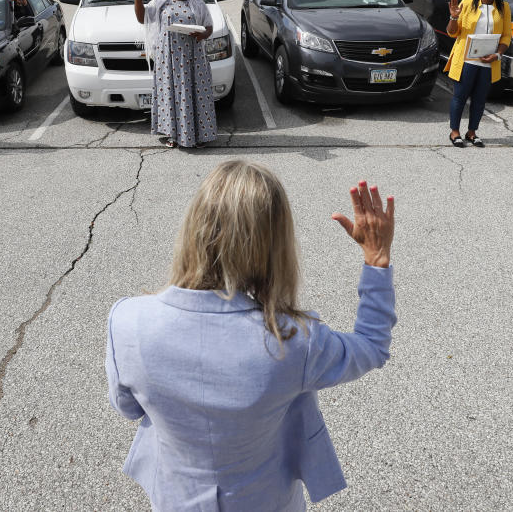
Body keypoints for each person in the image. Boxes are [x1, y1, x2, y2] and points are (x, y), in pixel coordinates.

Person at [105, 161, 396, 510]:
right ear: (274, 245)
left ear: (194, 227)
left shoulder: (127, 321)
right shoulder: (294, 339)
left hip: (174, 498)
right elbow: (372, 346)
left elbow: (129, 408)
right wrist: (376, 260)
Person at [133, 0, 218, 148]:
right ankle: (172, 135)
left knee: (195, 95)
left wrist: (203, 33)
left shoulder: (196, 1)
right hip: (169, 60)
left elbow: (209, 26)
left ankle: (198, 136)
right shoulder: (160, 2)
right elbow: (142, 18)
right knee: (171, 96)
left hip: (194, 58)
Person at [443, 0, 512, 147]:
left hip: (488, 62)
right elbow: (452, 33)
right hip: (466, 60)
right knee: (460, 96)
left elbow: (506, 36)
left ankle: (472, 132)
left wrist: (498, 54)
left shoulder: (504, 8)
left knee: (480, 99)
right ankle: (455, 132)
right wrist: (453, 17)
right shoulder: (466, 4)